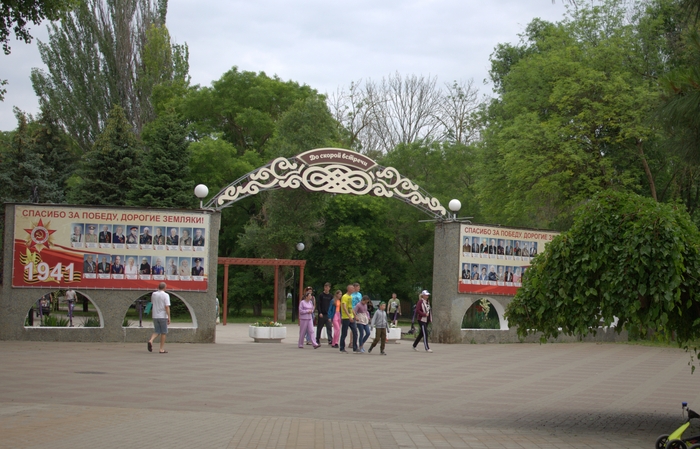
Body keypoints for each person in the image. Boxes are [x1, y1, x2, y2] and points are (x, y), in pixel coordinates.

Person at [147, 282, 170, 354]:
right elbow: (167, 306)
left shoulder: (154, 294)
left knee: (157, 331)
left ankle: (151, 340)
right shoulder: (166, 295)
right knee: (163, 332)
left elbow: (152, 303)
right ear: (165, 287)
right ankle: (161, 349)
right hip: (162, 316)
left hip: (155, 315)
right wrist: (169, 317)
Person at [339, 284, 358, 353]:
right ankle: (342, 347)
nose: (353, 289)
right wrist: (349, 316)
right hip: (345, 317)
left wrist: (355, 315)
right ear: (349, 289)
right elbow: (344, 307)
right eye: (352, 288)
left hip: (351, 317)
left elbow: (351, 307)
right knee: (344, 333)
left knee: (355, 332)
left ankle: (355, 347)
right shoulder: (344, 297)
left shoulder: (351, 297)